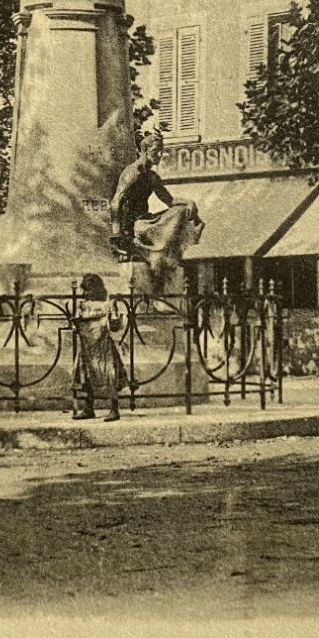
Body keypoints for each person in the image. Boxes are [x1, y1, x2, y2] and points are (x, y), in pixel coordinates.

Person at [110, 134, 200, 265]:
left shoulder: (152, 176)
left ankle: (168, 256)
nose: (159, 154)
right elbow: (116, 200)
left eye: (161, 151)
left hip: (147, 220)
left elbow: (170, 201)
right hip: (135, 226)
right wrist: (117, 232)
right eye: (156, 150)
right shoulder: (133, 172)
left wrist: (189, 202)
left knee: (181, 211)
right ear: (145, 151)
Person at [72, 273, 126, 422]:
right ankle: (88, 407)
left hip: (104, 346)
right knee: (87, 374)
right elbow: (76, 326)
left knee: (110, 375)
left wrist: (114, 316)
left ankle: (114, 409)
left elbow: (115, 327)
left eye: (89, 290)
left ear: (97, 289)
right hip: (87, 346)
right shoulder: (82, 305)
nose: (86, 293)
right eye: (85, 290)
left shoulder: (107, 305)